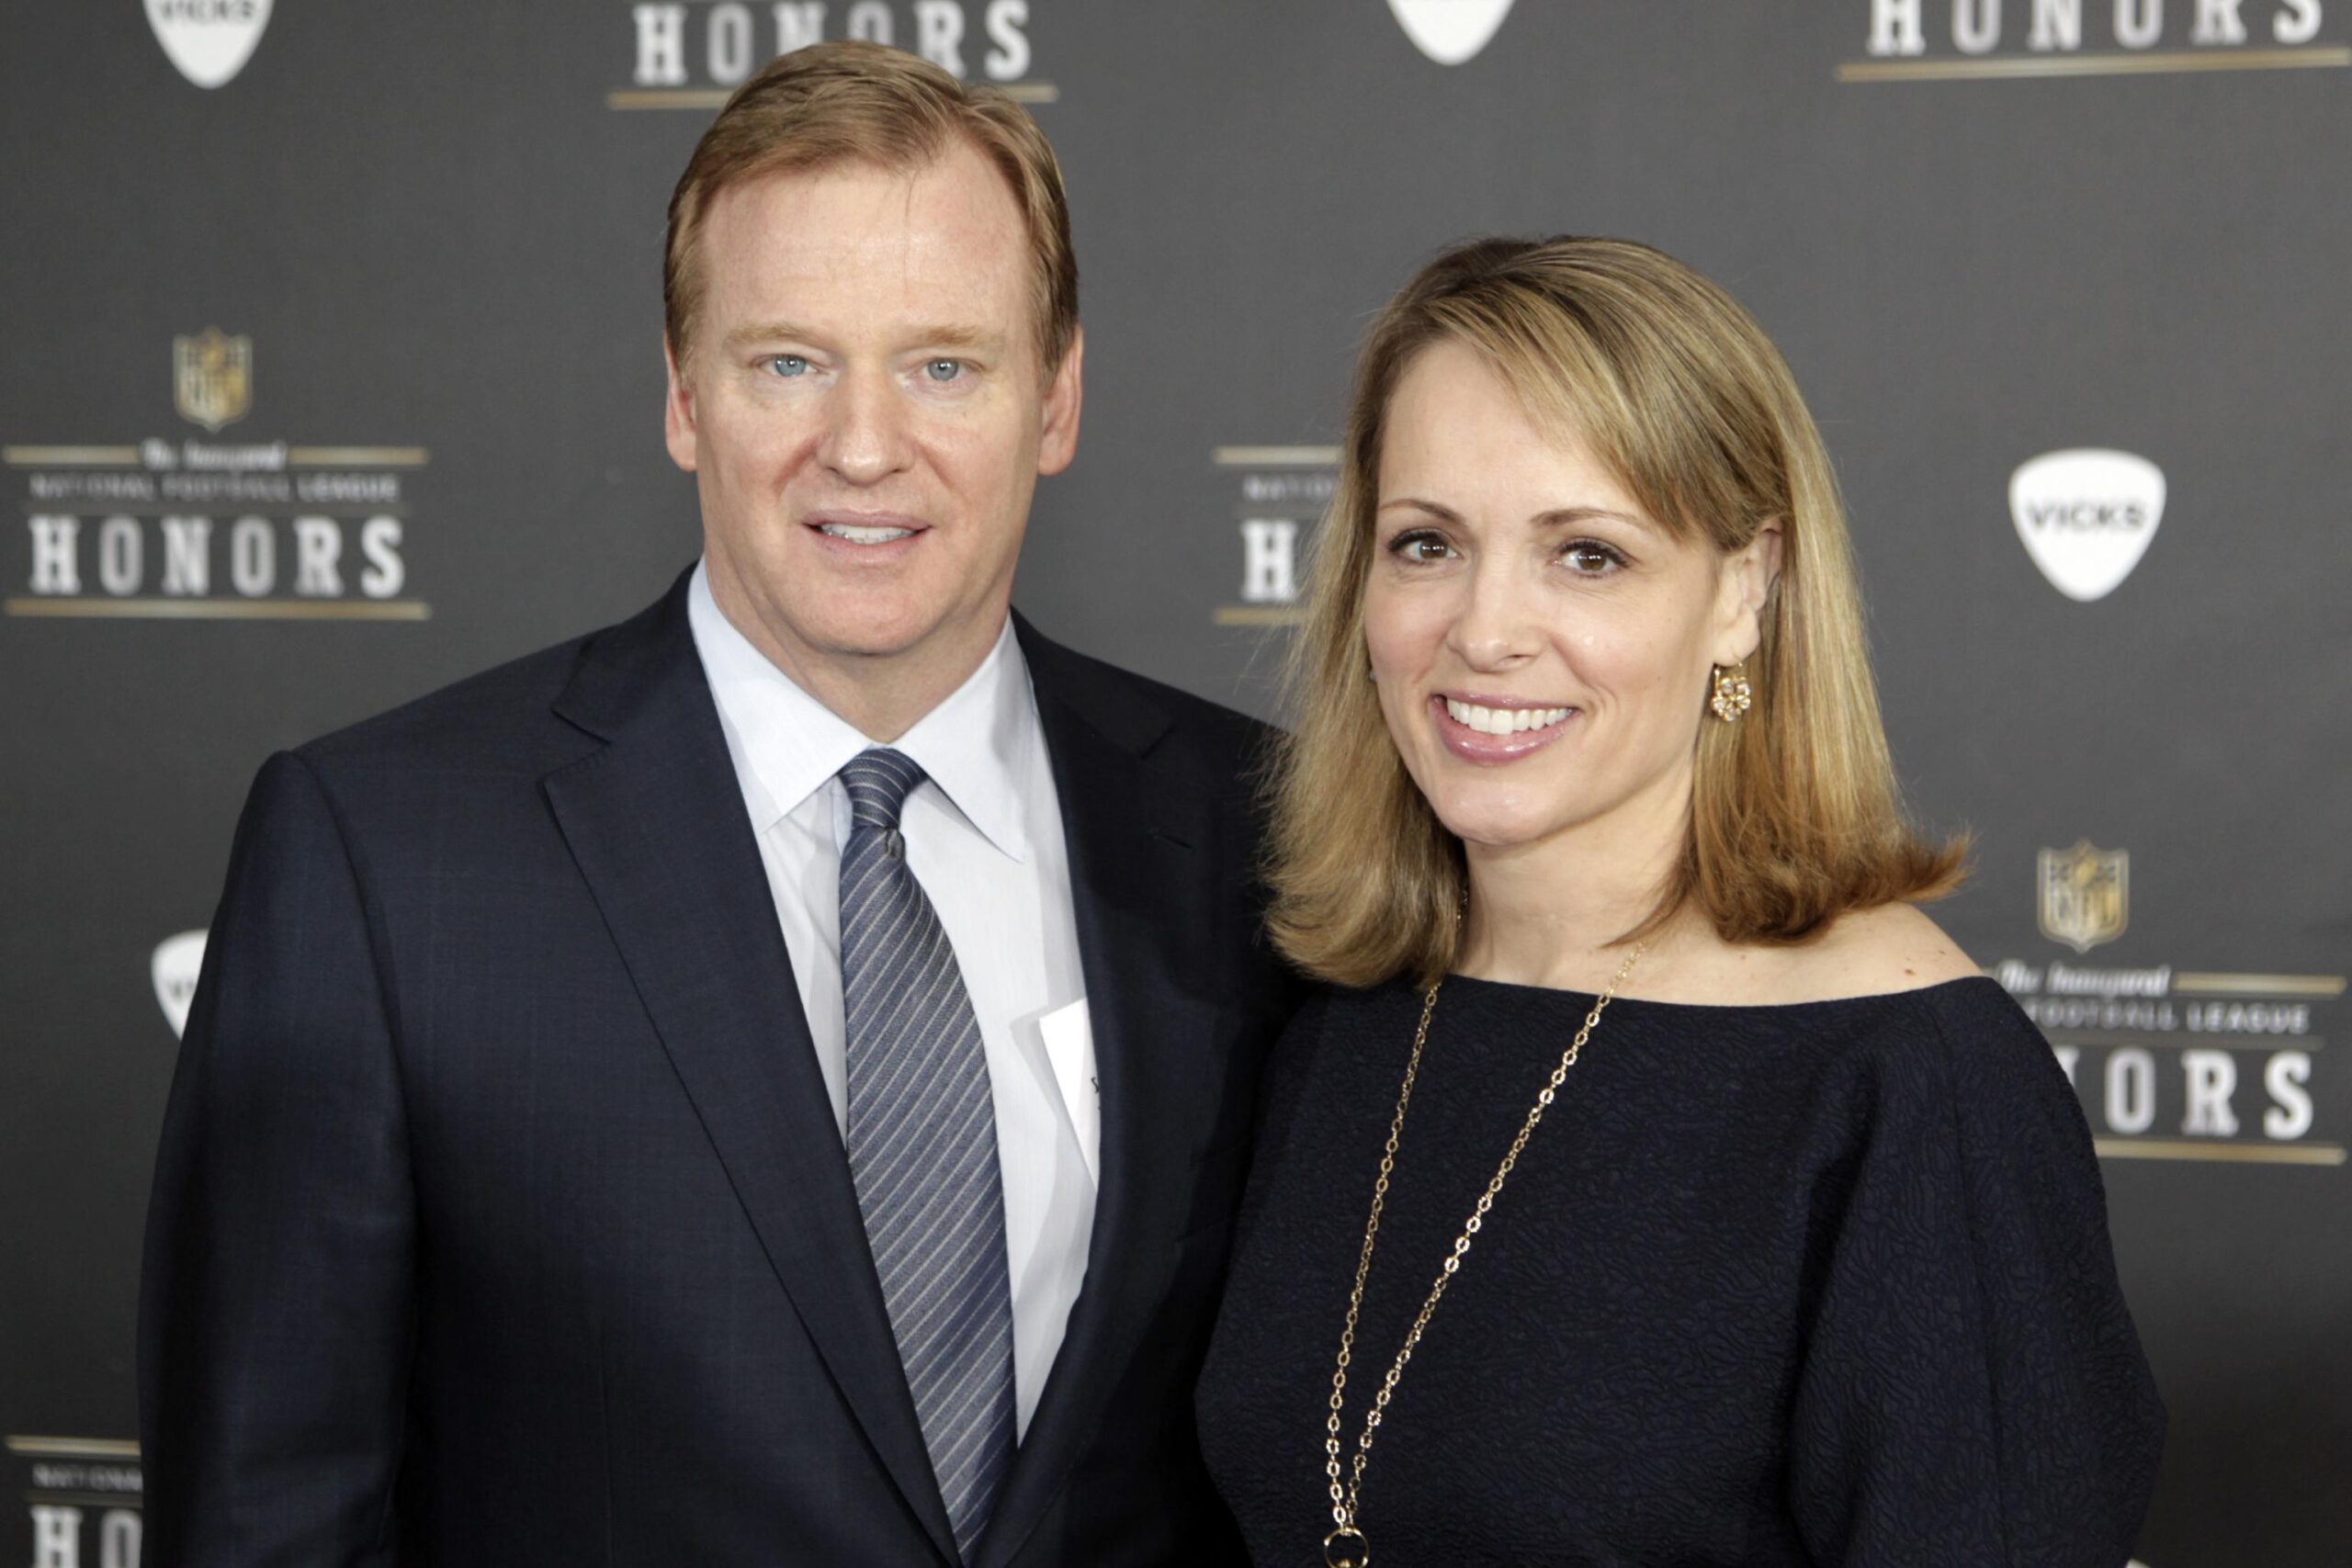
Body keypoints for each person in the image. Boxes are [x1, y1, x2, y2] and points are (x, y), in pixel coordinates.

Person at [140, 41, 1292, 1566]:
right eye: (788, 362)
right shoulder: (383, 859)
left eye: (945, 362)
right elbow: (263, 1515)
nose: (865, 445)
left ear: (1058, 399)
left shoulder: (1253, 829)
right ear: (687, 398)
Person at [1195, 237, 2165, 1566]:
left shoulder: (1913, 1089)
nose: (1485, 630)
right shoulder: (1346, 1017)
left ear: (1746, 589)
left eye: (1586, 555)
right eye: (1428, 543)